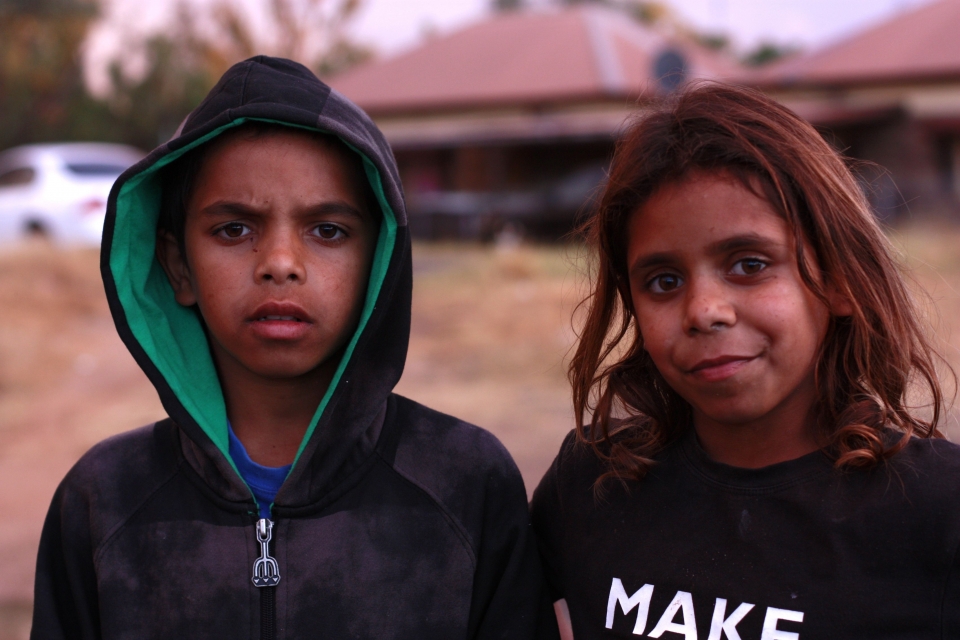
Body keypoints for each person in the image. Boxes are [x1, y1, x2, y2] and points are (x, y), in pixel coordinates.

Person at [31, 56, 542, 639]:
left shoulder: (466, 484)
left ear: (378, 262)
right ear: (178, 266)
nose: (279, 263)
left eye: (328, 230)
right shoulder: (102, 501)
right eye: (234, 229)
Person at [531, 84, 960, 639]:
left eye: (749, 264)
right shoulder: (593, 482)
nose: (703, 311)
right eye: (664, 281)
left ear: (841, 280)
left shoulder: (937, 511)